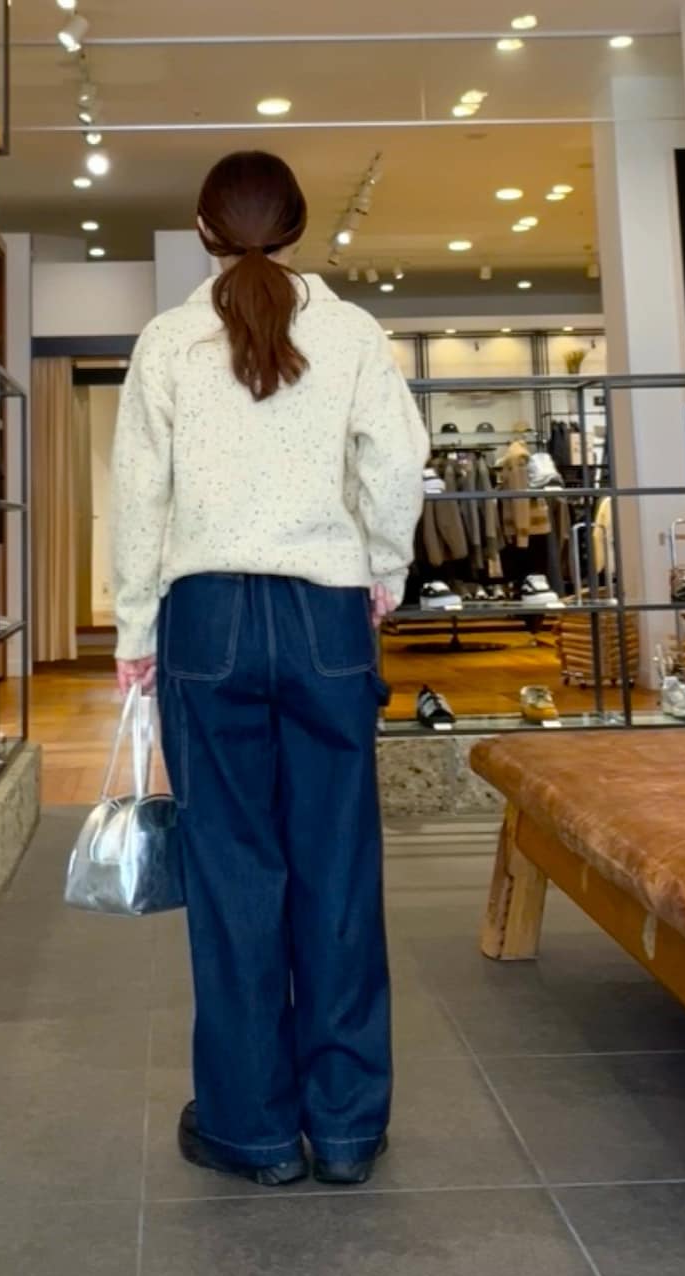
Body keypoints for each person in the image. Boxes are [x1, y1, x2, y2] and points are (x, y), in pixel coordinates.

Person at [112, 150, 427, 1187]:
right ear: (296, 228)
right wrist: (384, 568)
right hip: (325, 610)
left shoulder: (168, 340)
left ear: (204, 230)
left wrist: (134, 630)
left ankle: (249, 1128)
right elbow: (396, 461)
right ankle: (345, 1129)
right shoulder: (351, 331)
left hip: (205, 617)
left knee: (232, 868)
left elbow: (139, 494)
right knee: (338, 863)